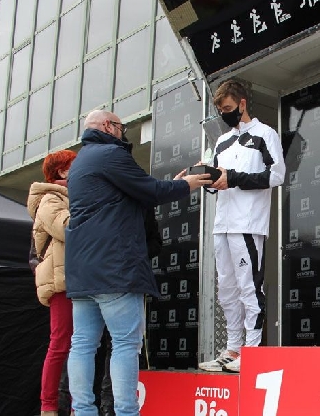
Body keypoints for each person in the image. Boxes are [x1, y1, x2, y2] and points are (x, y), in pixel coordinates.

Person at [65, 110, 212, 416]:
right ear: (108, 126)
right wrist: (188, 185)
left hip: (82, 270)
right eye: (122, 127)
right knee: (125, 344)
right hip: (114, 267)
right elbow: (150, 191)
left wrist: (165, 184)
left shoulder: (80, 162)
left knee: (82, 345)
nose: (124, 132)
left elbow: (133, 195)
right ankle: (127, 413)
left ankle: (82, 412)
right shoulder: (110, 154)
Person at [197, 80, 285, 373]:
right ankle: (232, 349)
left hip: (248, 223)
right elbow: (217, 181)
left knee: (249, 288)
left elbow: (276, 176)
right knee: (226, 290)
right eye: (221, 110)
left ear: (242, 104)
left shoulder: (265, 134)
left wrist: (234, 178)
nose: (225, 114)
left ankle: (253, 350)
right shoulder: (221, 142)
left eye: (228, 109)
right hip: (222, 223)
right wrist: (201, 177)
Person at [27, 149, 77, 416]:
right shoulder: (50, 199)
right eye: (74, 165)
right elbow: (66, 229)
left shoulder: (69, 196)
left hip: (75, 279)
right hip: (61, 281)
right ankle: (48, 407)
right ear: (62, 171)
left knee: (79, 344)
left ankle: (74, 404)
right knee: (60, 343)